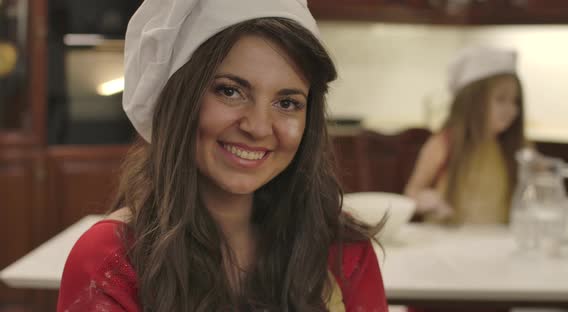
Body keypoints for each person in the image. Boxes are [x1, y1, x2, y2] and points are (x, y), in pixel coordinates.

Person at [56, 0, 388, 311]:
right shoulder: (112, 259)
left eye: (287, 103)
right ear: (179, 101)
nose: (258, 127)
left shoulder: (343, 251)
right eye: (230, 91)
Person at [405, 45, 526, 225]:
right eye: (501, 99)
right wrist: (427, 200)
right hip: (448, 244)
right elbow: (411, 194)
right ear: (472, 102)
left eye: (515, 101)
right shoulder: (442, 144)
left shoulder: (515, 147)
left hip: (495, 243)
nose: (511, 110)